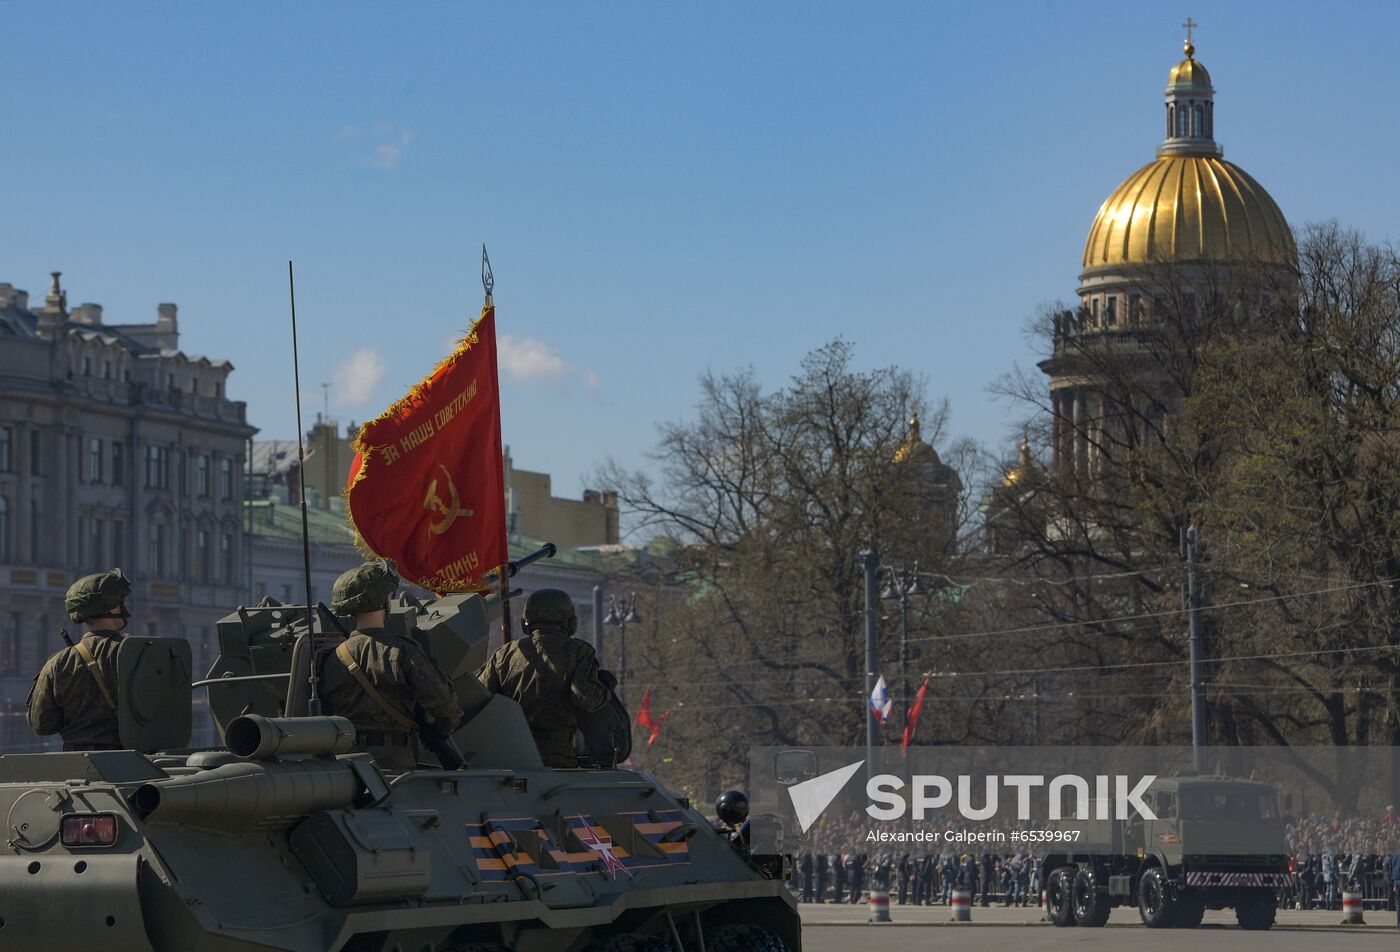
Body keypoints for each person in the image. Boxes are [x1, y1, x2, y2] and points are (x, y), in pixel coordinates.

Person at [320, 561, 463, 771]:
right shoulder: (403, 652)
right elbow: (446, 706)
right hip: (395, 765)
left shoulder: (332, 657)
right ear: (384, 602)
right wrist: (437, 732)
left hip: (345, 767)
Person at [478, 588, 610, 768]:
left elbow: (480, 699)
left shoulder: (505, 654)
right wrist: (605, 690)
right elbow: (587, 698)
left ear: (526, 622)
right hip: (558, 756)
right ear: (570, 622)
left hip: (511, 753)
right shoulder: (578, 651)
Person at [27, 570, 133, 750]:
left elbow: (42, 724)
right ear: (111, 607)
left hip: (78, 764)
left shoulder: (59, 663)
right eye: (119, 601)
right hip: (138, 761)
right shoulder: (140, 652)